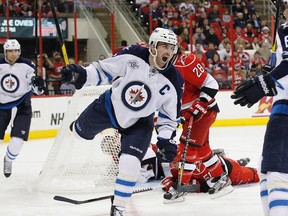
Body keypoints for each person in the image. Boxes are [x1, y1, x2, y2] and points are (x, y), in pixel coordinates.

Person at [60, 28, 184, 215]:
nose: (168, 52)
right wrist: (83, 75)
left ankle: (118, 207)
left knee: (131, 163)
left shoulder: (175, 80)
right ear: (152, 46)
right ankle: (79, 127)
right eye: (164, 46)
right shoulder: (134, 54)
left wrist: (166, 139)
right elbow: (103, 70)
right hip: (109, 107)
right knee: (78, 133)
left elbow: (169, 117)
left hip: (140, 123)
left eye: (171, 48)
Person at [230, 3, 288, 216]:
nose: (283, 8)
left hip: (286, 110)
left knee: (278, 175)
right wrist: (272, 69)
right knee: (265, 168)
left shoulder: (286, 28)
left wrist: (266, 81)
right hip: (282, 107)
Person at [160, 51, 233, 203]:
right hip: (189, 115)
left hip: (203, 111)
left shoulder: (185, 61)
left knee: (189, 147)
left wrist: (200, 105)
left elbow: (211, 84)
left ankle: (182, 185)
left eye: (167, 46)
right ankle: (220, 178)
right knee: (203, 149)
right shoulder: (158, 68)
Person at [0, 39, 45, 178]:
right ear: (5, 52)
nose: (14, 54)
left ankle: (8, 160)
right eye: (10, 51)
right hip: (1, 106)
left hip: (22, 106)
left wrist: (38, 84)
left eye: (16, 51)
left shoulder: (27, 64)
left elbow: (37, 89)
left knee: (17, 142)